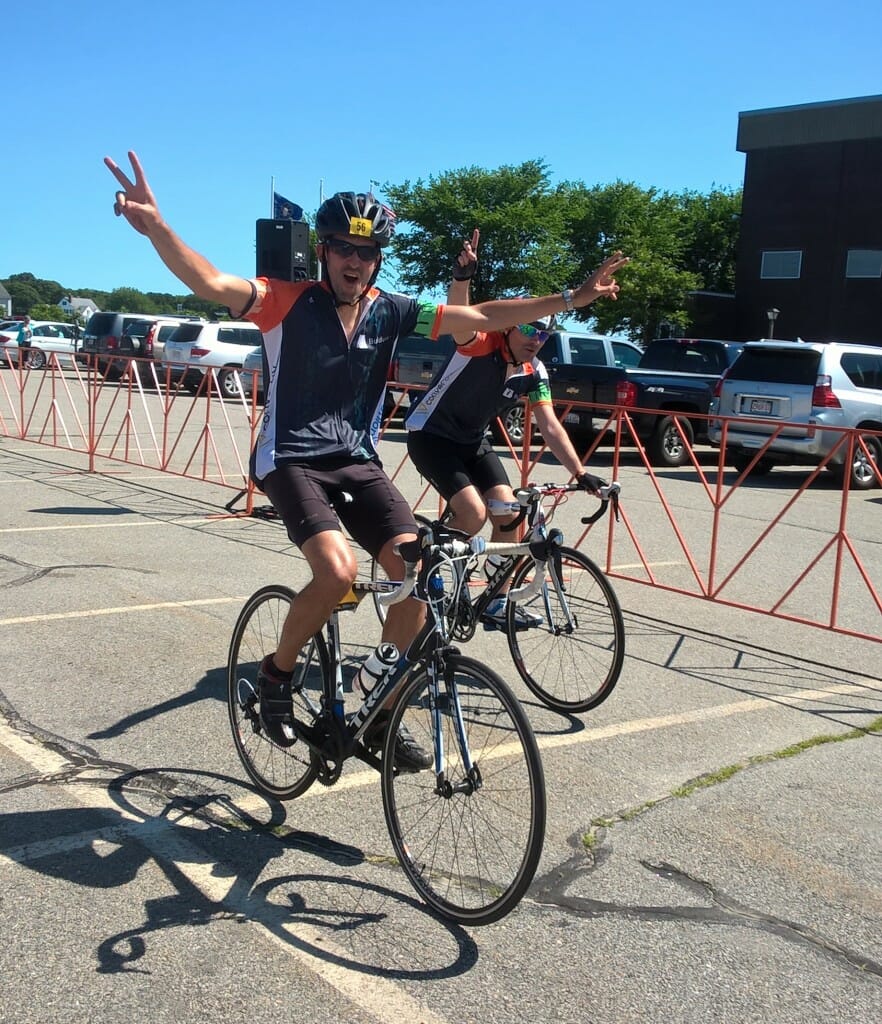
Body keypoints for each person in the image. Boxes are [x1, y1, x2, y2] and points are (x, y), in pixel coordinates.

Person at [105, 150, 622, 766]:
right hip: (290, 458)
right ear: (323, 251)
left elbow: (482, 314)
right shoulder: (284, 300)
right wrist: (158, 228)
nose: (356, 261)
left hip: (355, 460)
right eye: (345, 250)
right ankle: (275, 676)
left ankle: (373, 701)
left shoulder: (392, 310)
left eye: (369, 252)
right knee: (339, 573)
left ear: (378, 259)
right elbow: (212, 283)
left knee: (422, 575)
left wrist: (570, 297)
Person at [405, 230, 628, 628]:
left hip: (471, 441)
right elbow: (460, 314)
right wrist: (462, 278)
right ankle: (430, 562)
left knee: (508, 514)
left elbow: (550, 425)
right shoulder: (478, 344)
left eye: (543, 334)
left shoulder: (533, 371)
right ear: (509, 328)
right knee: (472, 514)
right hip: (431, 435)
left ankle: (495, 599)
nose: (535, 339)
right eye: (527, 329)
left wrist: (579, 472)